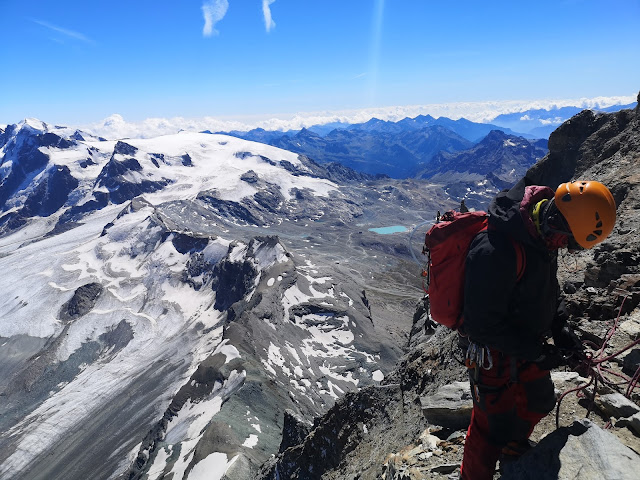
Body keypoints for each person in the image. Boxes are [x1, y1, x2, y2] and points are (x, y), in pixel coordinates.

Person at [459, 177, 617, 480]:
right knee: (489, 430)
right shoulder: (495, 249)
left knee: (540, 399)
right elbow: (480, 325)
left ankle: (514, 446)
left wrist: (561, 330)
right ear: (558, 219)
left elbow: (547, 289)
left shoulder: (543, 236)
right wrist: (537, 352)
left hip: (526, 345)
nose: (568, 249)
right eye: (568, 242)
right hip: (493, 355)